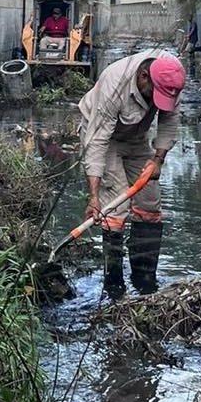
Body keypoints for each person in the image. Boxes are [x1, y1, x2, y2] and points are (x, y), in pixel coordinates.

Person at [77, 50, 186, 297]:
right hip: (105, 136)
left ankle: (145, 280)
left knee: (150, 204)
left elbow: (169, 122)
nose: (156, 102)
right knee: (114, 209)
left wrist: (158, 160)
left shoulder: (172, 76)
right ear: (144, 77)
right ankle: (113, 284)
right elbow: (97, 141)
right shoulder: (114, 83)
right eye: (153, 94)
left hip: (137, 138)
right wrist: (93, 196)